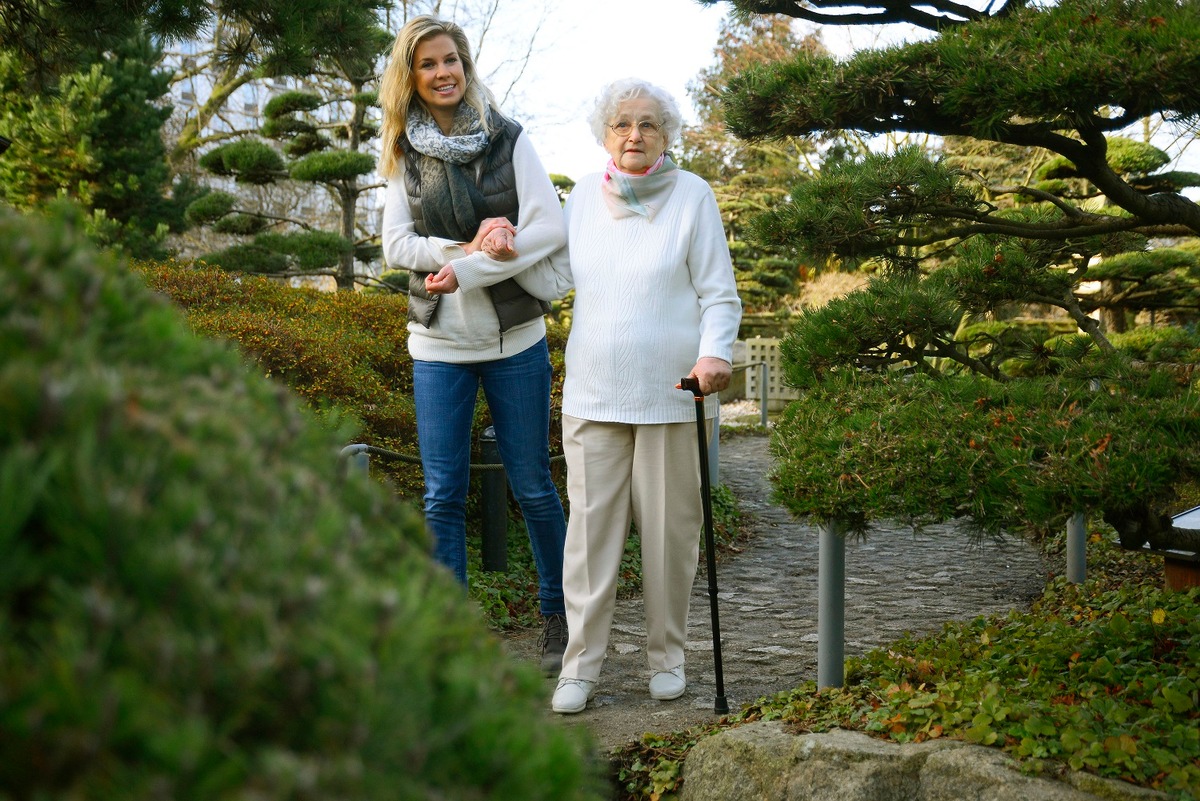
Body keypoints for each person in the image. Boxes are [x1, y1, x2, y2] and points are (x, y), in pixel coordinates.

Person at [514, 78, 742, 714]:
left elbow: (719, 295)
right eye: (621, 125)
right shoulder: (583, 195)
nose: (633, 135)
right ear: (604, 135)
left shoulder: (694, 196)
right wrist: (492, 252)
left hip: (674, 395)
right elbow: (555, 275)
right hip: (594, 394)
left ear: (667, 135)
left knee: (671, 536)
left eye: (647, 124)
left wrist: (714, 353)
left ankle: (666, 658)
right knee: (588, 540)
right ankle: (580, 666)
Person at [377, 15, 568, 673]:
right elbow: (396, 244)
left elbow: (547, 227)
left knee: (534, 484)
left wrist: (482, 262)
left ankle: (558, 612)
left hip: (516, 339)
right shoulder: (403, 151)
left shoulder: (509, 138)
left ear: (466, 64)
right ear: (412, 76)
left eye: (451, 59)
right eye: (428, 63)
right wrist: (468, 245)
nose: (443, 72)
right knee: (442, 494)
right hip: (438, 346)